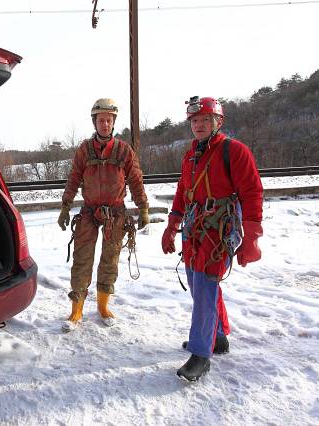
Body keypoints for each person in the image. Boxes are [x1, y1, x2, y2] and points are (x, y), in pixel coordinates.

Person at [161, 96, 263, 381]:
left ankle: (200, 354)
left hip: (220, 228)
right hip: (195, 227)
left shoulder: (235, 151)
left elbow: (252, 193)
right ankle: (216, 336)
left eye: (205, 120)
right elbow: (184, 190)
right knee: (196, 282)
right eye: (194, 121)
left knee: (206, 284)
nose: (199, 125)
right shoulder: (191, 154)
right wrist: (171, 226)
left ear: (218, 122)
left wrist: (252, 237)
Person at [58, 98, 150, 332]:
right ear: (95, 122)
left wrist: (144, 209)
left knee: (109, 260)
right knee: (82, 259)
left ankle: (103, 307)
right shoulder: (84, 150)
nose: (105, 124)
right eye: (101, 120)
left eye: (109, 120)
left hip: (115, 213)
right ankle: (76, 310)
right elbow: (74, 178)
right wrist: (65, 206)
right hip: (89, 211)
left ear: (113, 122)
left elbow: (136, 180)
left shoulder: (123, 150)